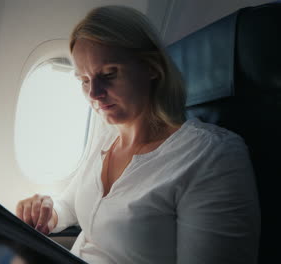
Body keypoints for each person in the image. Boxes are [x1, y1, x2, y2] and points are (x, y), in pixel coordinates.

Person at [16, 5, 260, 264]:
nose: (94, 93)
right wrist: (46, 211)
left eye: (109, 74)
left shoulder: (210, 157)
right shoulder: (106, 140)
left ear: (152, 67)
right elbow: (70, 205)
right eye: (84, 80)